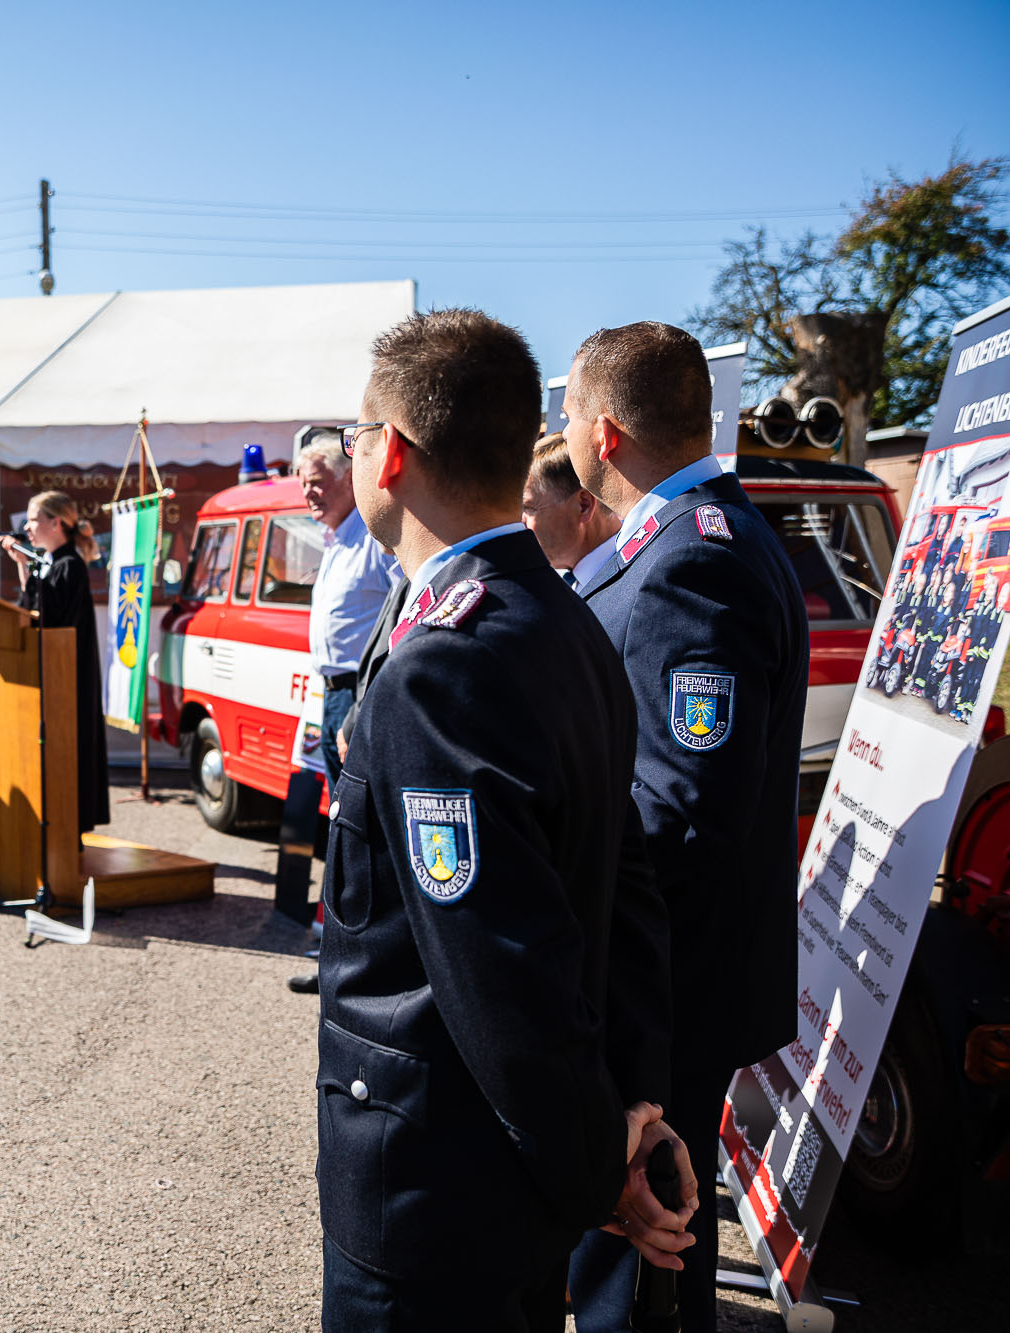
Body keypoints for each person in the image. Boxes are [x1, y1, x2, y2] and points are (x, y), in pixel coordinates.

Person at [318, 308, 690, 1330]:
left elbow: (499, 965)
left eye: (352, 434)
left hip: (432, 1193)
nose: (350, 453)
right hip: (505, 1186)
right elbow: (629, 893)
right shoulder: (564, 614)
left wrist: (601, 1170)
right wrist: (632, 1115)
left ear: (389, 453)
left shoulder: (446, 660)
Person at [561, 321, 809, 1333]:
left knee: (634, 1272)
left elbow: (678, 809)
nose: (561, 432)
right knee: (651, 1262)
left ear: (605, 432)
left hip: (658, 991)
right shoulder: (702, 535)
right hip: (677, 976)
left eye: (566, 413)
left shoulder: (685, 562)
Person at [2, 492, 110, 833]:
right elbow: (34, 611)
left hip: (68, 677)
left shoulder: (69, 565)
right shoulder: (52, 562)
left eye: (34, 519)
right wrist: (24, 565)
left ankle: (70, 826)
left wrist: (25, 565)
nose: (27, 527)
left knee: (71, 752)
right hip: (54, 674)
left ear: (56, 523)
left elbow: (51, 616)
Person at [297, 435, 397, 787]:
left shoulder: (372, 537)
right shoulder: (334, 539)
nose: (308, 493)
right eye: (303, 484)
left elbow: (401, 614)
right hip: (330, 694)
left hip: (360, 696)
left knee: (359, 803)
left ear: (348, 478)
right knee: (341, 803)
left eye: (316, 483)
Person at [522, 431, 621, 591]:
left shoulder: (638, 582)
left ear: (583, 505)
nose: (521, 523)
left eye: (529, 509)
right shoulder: (556, 584)